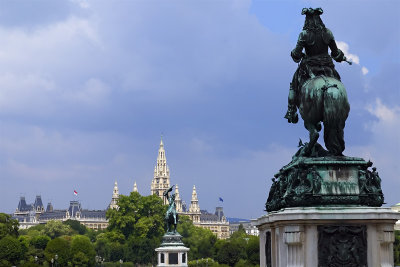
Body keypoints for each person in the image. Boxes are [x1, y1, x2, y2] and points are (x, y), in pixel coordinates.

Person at [285, 7, 347, 123]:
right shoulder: (328, 32)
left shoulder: (304, 34)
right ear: (319, 18)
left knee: (293, 85)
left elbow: (296, 55)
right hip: (328, 67)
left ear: (307, 20)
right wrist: (341, 57)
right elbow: (336, 53)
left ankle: (291, 111)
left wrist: (294, 54)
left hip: (310, 67)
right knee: (338, 81)